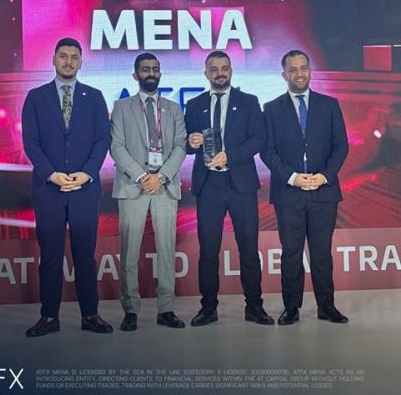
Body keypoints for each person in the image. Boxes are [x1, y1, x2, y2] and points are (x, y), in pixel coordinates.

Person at [22, 37, 112, 336]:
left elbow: (102, 140)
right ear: (54, 59)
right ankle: (49, 317)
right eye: (63, 56)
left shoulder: (94, 97)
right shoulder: (36, 97)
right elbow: (31, 143)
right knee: (50, 256)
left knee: (85, 255)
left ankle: (90, 315)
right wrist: (51, 174)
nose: (69, 61)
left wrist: (87, 173)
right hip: (49, 189)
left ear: (81, 62)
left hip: (84, 189)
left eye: (74, 57)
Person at [185, 51, 273, 327]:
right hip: (208, 185)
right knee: (208, 251)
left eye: (224, 68)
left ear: (231, 71)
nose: (220, 73)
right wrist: (192, 141)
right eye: (214, 69)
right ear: (206, 73)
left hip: (241, 185)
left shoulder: (249, 101)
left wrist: (230, 156)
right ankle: (208, 307)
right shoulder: (195, 104)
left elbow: (259, 139)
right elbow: (186, 144)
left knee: (248, 248)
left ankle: (254, 306)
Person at [261, 50, 349, 325]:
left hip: (324, 191)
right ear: (284, 74)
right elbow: (267, 150)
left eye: (303, 68)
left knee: (322, 254)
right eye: (293, 69)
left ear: (310, 71)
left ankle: (326, 306)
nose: (299, 74)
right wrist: (292, 178)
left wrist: (324, 176)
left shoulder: (329, 104)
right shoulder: (271, 108)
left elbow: (340, 146)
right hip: (289, 192)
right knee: (291, 254)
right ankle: (291, 308)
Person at [111, 53, 187, 331]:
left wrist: (161, 176)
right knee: (129, 251)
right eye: (145, 69)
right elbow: (116, 147)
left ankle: (166, 309)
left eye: (155, 69)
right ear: (136, 75)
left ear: (160, 73)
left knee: (166, 249)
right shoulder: (121, 107)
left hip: (165, 185)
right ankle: (130, 309)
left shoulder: (174, 108)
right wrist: (143, 176)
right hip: (133, 184)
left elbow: (181, 145)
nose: (151, 73)